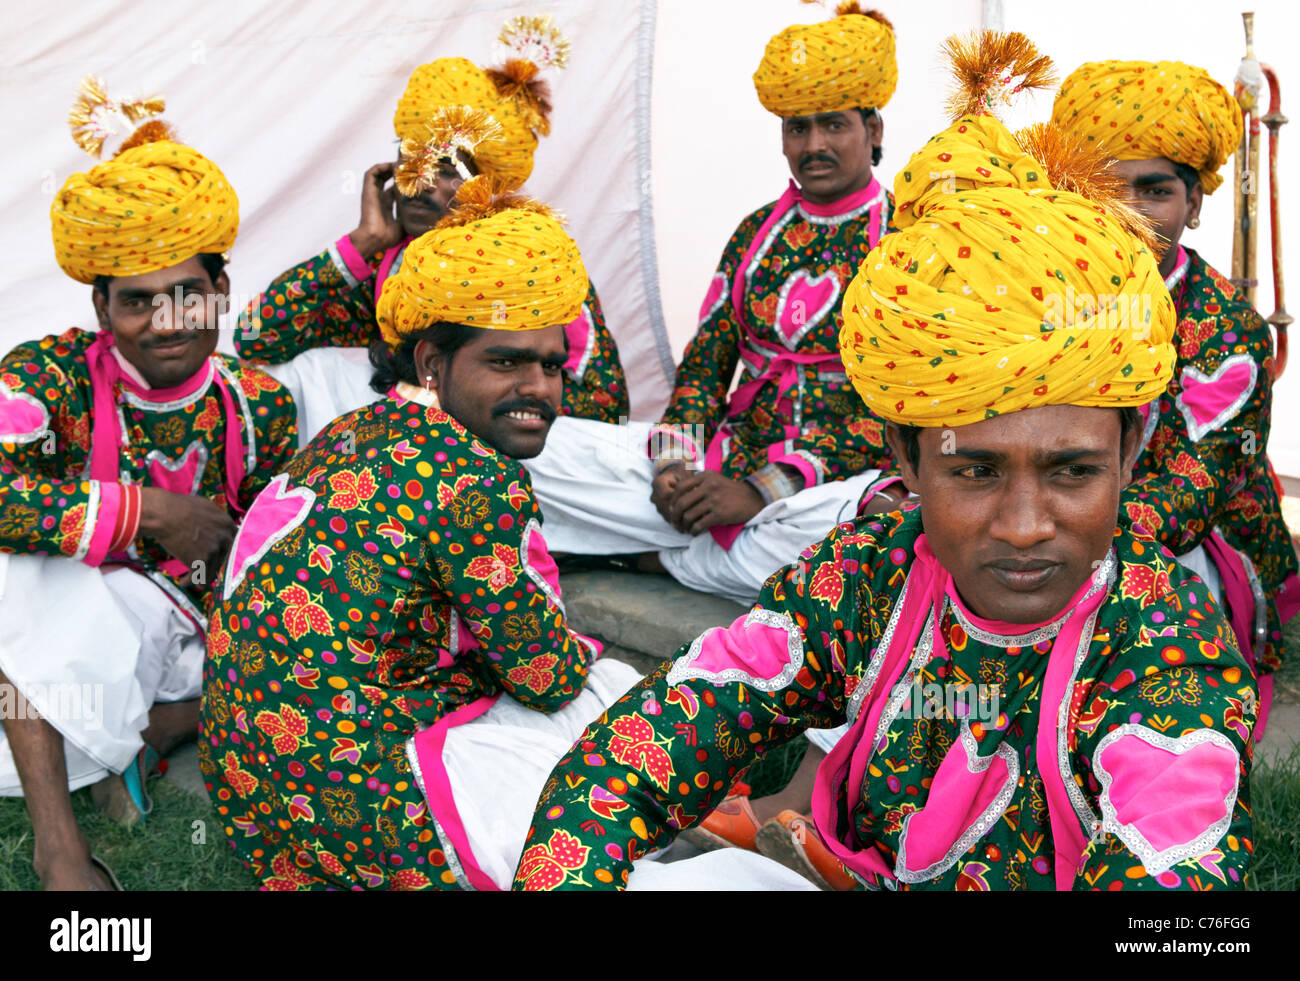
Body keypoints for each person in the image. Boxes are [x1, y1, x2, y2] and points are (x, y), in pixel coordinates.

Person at [512, 38, 1257, 891]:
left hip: (795, 491)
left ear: (1128, 452)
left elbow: (1180, 880)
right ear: (904, 455)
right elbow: (639, 749)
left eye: (1071, 472)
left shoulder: (1164, 650)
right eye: (974, 470)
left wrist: (763, 486)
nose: (1022, 525)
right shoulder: (869, 570)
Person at [200, 179, 651, 891]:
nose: (537, 387)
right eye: (505, 361)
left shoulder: (351, 428)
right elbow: (546, 674)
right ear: (432, 364)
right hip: (366, 817)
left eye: (551, 365)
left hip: (256, 807)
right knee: (608, 692)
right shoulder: (477, 478)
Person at [0, 81, 297, 890]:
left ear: (221, 292)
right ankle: (68, 832)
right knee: (12, 578)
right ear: (100, 305)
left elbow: (276, 553)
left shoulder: (258, 401)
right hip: (66, 626)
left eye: (189, 294)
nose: (168, 322)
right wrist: (151, 511)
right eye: (137, 302)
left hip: (201, 642)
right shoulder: (49, 375)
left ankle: (125, 762)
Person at [524, 3, 902, 605]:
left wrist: (761, 491)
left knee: (881, 530)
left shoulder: (906, 240)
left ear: (873, 131)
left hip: (827, 479)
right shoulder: (755, 234)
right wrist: (675, 465)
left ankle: (651, 556)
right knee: (542, 447)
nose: (813, 144)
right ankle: (687, 536)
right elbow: (703, 367)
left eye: (833, 125)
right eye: (797, 128)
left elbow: (901, 408)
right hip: (725, 451)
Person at [234, 15, 628, 442]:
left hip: (519, 452)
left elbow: (607, 406)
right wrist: (363, 242)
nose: (418, 182)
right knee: (305, 372)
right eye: (409, 161)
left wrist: (478, 394)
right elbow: (257, 336)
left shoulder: (535, 264)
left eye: (445, 168)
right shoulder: (394, 269)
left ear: (489, 183)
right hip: (411, 457)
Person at [1051, 60, 1297, 732]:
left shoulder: (1228, 329)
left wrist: (1039, 533)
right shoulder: (1042, 294)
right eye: (1107, 189)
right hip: (1055, 523)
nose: (1128, 214)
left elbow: (1184, 497)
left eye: (1154, 191)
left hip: (1186, 539)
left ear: (1194, 202)